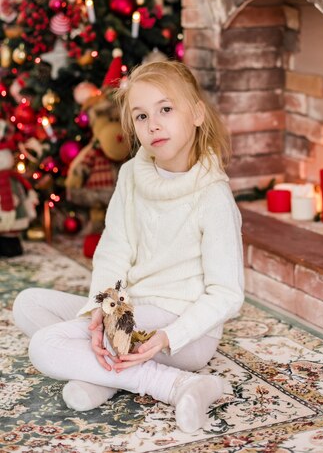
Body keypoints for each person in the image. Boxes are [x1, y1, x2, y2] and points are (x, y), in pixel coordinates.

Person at [13, 60, 245, 433]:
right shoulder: (132, 174)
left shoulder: (212, 195)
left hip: (183, 334)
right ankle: (109, 375)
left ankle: (175, 384)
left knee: (44, 346)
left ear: (197, 114)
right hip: (131, 312)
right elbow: (114, 248)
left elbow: (227, 293)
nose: (153, 124)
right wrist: (100, 308)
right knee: (27, 305)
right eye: (140, 116)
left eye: (166, 109)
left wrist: (170, 335)